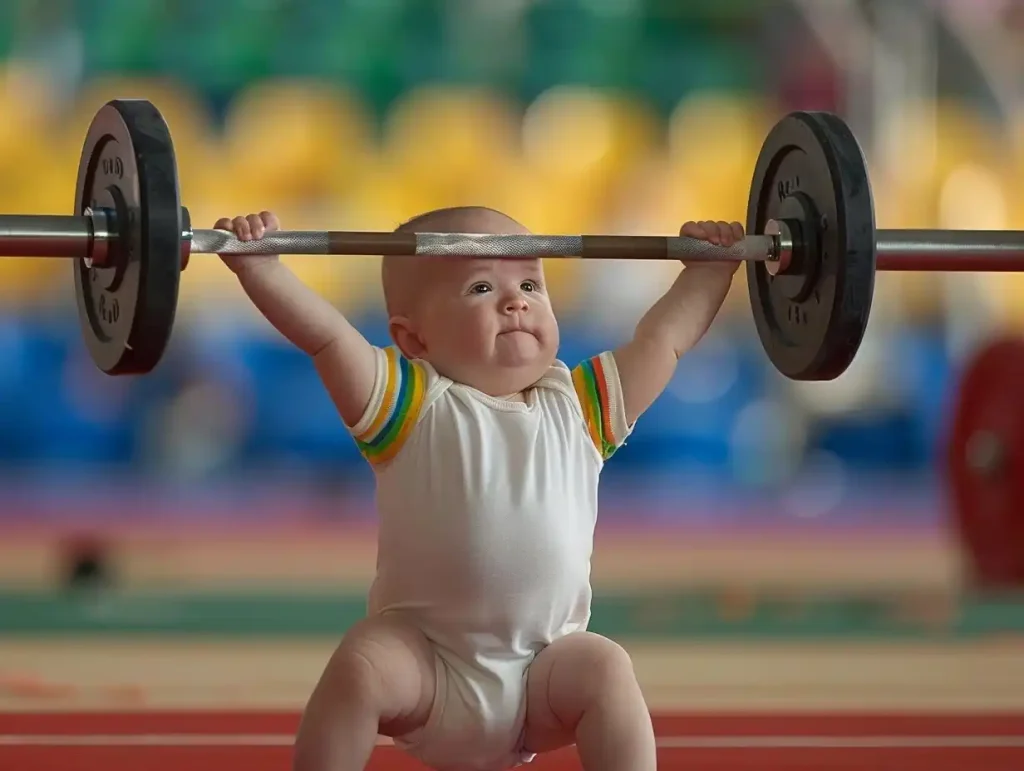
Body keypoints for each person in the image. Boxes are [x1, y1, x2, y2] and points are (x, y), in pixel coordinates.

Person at [214, 206, 743, 771]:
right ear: (411, 336)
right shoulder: (409, 403)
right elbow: (325, 337)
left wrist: (709, 272)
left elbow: (664, 339)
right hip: (426, 672)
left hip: (542, 680)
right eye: (481, 286)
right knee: (362, 663)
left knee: (606, 669)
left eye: (531, 284)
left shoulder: (580, 407)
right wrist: (260, 268)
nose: (515, 301)